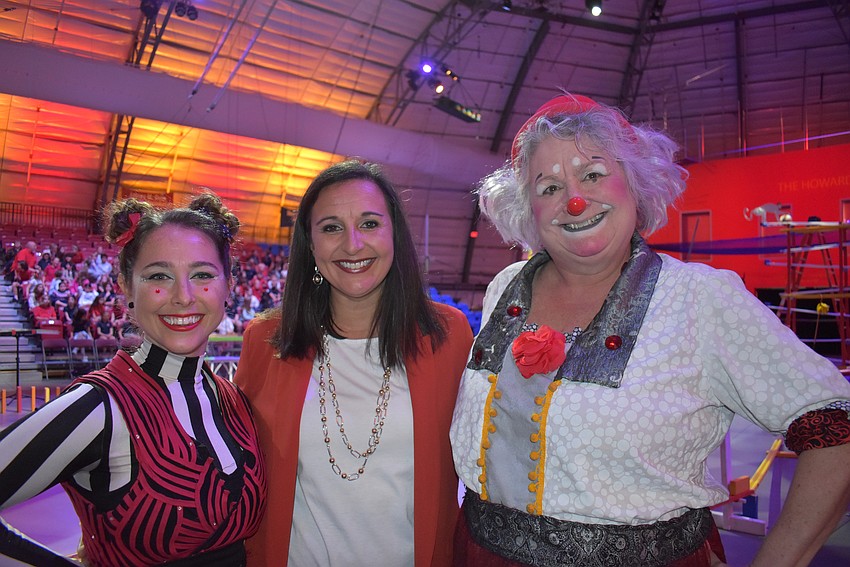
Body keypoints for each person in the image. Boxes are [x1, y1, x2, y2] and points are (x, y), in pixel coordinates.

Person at [449, 94, 850, 567]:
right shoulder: (504, 289)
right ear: (528, 209)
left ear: (634, 186)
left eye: (593, 174)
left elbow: (837, 428)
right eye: (548, 187)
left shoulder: (700, 298)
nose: (574, 200)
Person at [0, 192, 267, 566]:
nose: (183, 296)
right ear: (127, 286)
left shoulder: (233, 399)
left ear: (228, 286)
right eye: (159, 276)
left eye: (203, 275)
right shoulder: (99, 406)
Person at [234, 160, 473, 566]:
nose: (352, 245)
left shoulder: (447, 336)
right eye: (330, 228)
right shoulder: (265, 341)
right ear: (310, 246)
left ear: (393, 233)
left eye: (369, 224)